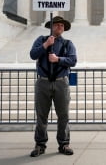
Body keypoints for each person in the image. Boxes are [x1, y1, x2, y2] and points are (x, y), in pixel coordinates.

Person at [29, 16, 77, 157]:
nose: (59, 27)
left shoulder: (68, 43)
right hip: (43, 82)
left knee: (63, 115)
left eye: (62, 25)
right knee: (41, 116)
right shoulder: (41, 40)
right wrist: (45, 46)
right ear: (51, 27)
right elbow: (32, 54)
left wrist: (58, 59)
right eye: (56, 25)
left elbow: (73, 60)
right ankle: (40, 144)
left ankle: (64, 144)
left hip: (61, 82)